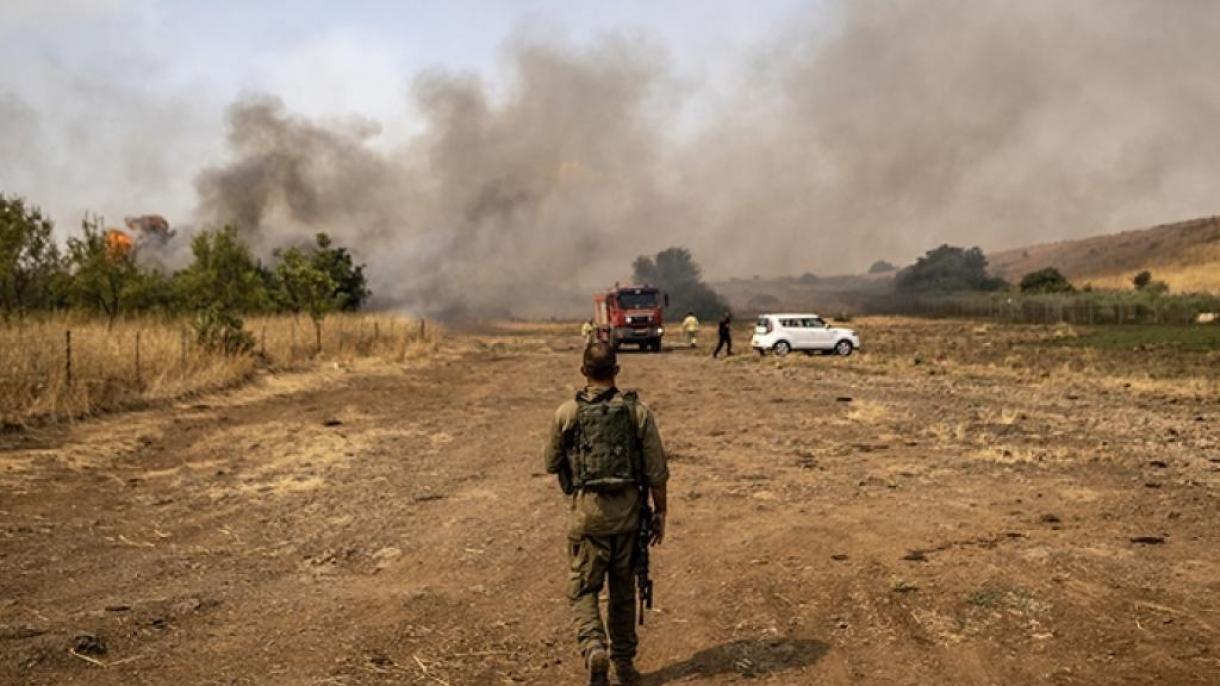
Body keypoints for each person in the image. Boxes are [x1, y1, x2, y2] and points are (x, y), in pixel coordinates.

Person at [543, 341, 668, 686]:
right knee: (624, 592)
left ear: (583, 371)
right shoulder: (637, 412)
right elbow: (657, 472)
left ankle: (594, 646)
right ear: (616, 371)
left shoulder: (567, 413)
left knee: (584, 589)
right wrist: (661, 513)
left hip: (587, 519)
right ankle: (624, 665)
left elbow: (550, 462)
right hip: (629, 520)